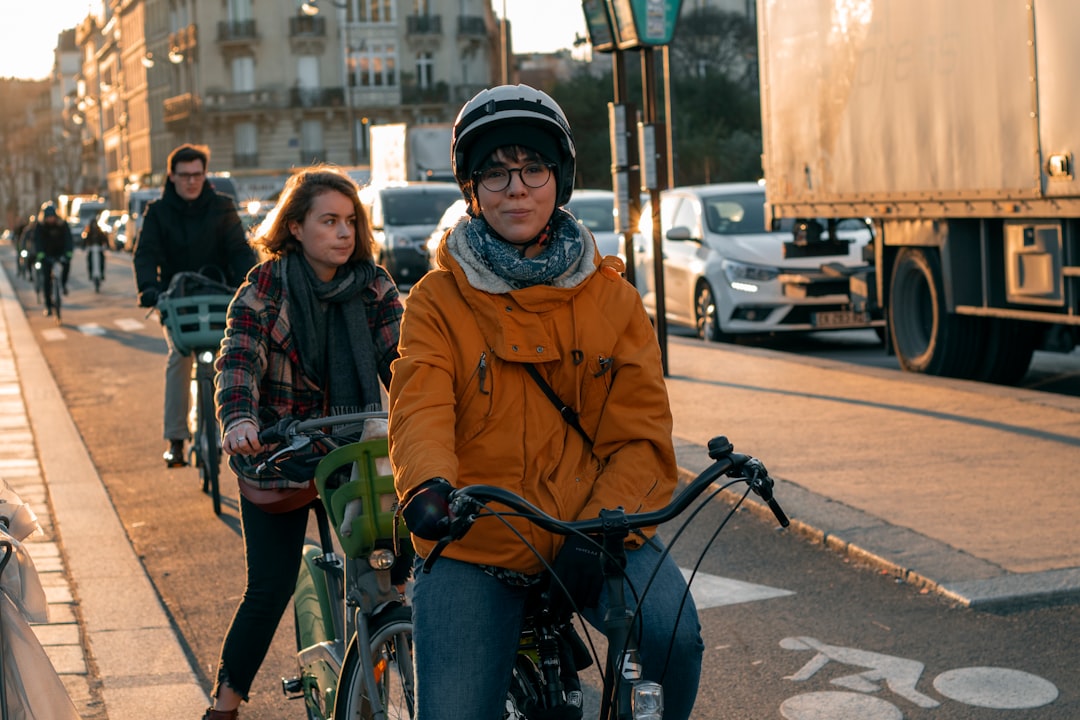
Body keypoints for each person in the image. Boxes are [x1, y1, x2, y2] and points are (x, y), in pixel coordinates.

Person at [391, 84, 705, 720]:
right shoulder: (435, 300)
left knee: (674, 636)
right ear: (472, 189)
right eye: (496, 172)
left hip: (594, 527)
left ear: (558, 180)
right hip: (477, 535)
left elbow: (640, 434)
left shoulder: (613, 299)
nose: (517, 188)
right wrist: (427, 487)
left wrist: (604, 525)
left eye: (534, 168)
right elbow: (420, 403)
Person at [202, 166, 403, 720]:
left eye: (351, 222)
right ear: (294, 226)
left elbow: (406, 365)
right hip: (278, 454)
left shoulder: (375, 284)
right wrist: (240, 420)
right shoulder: (265, 285)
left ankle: (381, 668)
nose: (344, 233)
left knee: (385, 575)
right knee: (268, 588)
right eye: (329, 221)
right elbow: (239, 356)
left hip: (355, 451)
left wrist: (433, 411)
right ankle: (224, 706)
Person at [133, 143, 256, 467]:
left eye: (197, 175)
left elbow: (239, 250)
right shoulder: (158, 212)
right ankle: (176, 439)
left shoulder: (223, 207)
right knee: (179, 358)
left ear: (205, 175)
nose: (191, 181)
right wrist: (149, 289)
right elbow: (146, 254)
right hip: (177, 303)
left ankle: (241, 426)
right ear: (172, 176)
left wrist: (248, 282)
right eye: (184, 175)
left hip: (220, 299)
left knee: (233, 358)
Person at [31, 202, 74, 315]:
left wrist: (68, 253)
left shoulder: (62, 225)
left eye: (52, 217)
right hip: (46, 255)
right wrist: (40, 254)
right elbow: (37, 242)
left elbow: (68, 239)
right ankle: (48, 305)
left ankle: (63, 284)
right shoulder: (40, 227)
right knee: (46, 279)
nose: (51, 219)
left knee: (66, 265)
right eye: (48, 217)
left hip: (60, 253)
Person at [83, 211, 109, 281]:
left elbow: (104, 238)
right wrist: (85, 246)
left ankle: (102, 273)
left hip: (99, 249)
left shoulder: (99, 231)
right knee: (89, 260)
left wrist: (106, 245)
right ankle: (91, 274)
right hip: (92, 250)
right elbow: (85, 240)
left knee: (102, 260)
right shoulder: (89, 232)